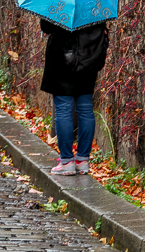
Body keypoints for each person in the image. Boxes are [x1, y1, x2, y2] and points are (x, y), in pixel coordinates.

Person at [40, 18, 109, 175]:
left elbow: (47, 27)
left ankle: (67, 161)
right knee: (85, 107)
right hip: (88, 55)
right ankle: (82, 160)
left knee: (63, 108)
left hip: (62, 57)